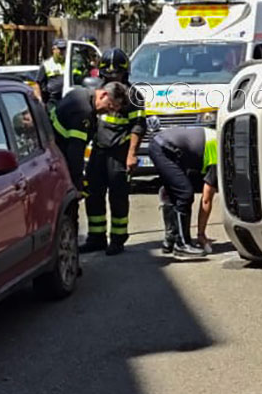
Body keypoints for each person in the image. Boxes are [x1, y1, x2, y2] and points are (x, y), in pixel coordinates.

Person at [81, 49, 145, 256]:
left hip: (119, 153)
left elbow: (138, 126)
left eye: (115, 74)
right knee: (93, 195)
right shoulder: (99, 91)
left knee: (118, 197)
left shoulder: (133, 95)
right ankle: (96, 237)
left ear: (124, 73)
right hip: (98, 152)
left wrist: (131, 155)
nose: (111, 77)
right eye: (107, 74)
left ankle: (118, 239)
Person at [149, 127, 218, 257]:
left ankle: (170, 240)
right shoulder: (219, 154)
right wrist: (201, 234)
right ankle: (182, 244)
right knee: (184, 193)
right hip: (164, 149)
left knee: (172, 192)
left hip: (162, 144)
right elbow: (206, 199)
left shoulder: (218, 138)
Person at [50, 81, 128, 195]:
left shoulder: (80, 93)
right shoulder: (83, 110)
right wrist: (78, 182)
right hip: (58, 158)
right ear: (103, 95)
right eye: (110, 106)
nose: (109, 111)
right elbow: (76, 149)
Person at [37, 38, 68, 107]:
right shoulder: (47, 64)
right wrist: (40, 100)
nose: (62, 51)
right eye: (60, 49)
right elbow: (37, 83)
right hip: (53, 100)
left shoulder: (69, 63)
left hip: (67, 99)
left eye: (64, 49)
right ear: (53, 50)